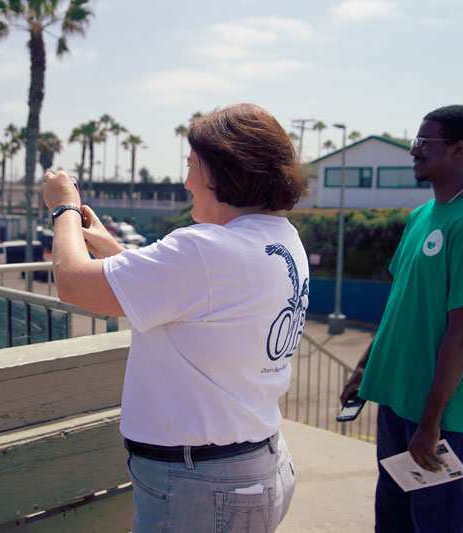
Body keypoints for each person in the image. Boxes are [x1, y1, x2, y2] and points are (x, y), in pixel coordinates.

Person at [43, 103, 308, 532]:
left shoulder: (205, 249)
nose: (186, 182)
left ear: (223, 171)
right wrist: (113, 250)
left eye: (191, 166)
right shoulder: (278, 237)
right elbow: (199, 300)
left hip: (202, 487)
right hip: (254, 467)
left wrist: (64, 209)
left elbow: (72, 283)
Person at [340, 105, 463, 533]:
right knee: (394, 513)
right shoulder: (421, 216)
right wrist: (365, 368)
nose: (413, 152)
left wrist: (432, 421)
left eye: (422, 143)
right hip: (398, 397)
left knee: (437, 520)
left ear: (458, 150)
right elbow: (401, 303)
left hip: (439, 413)